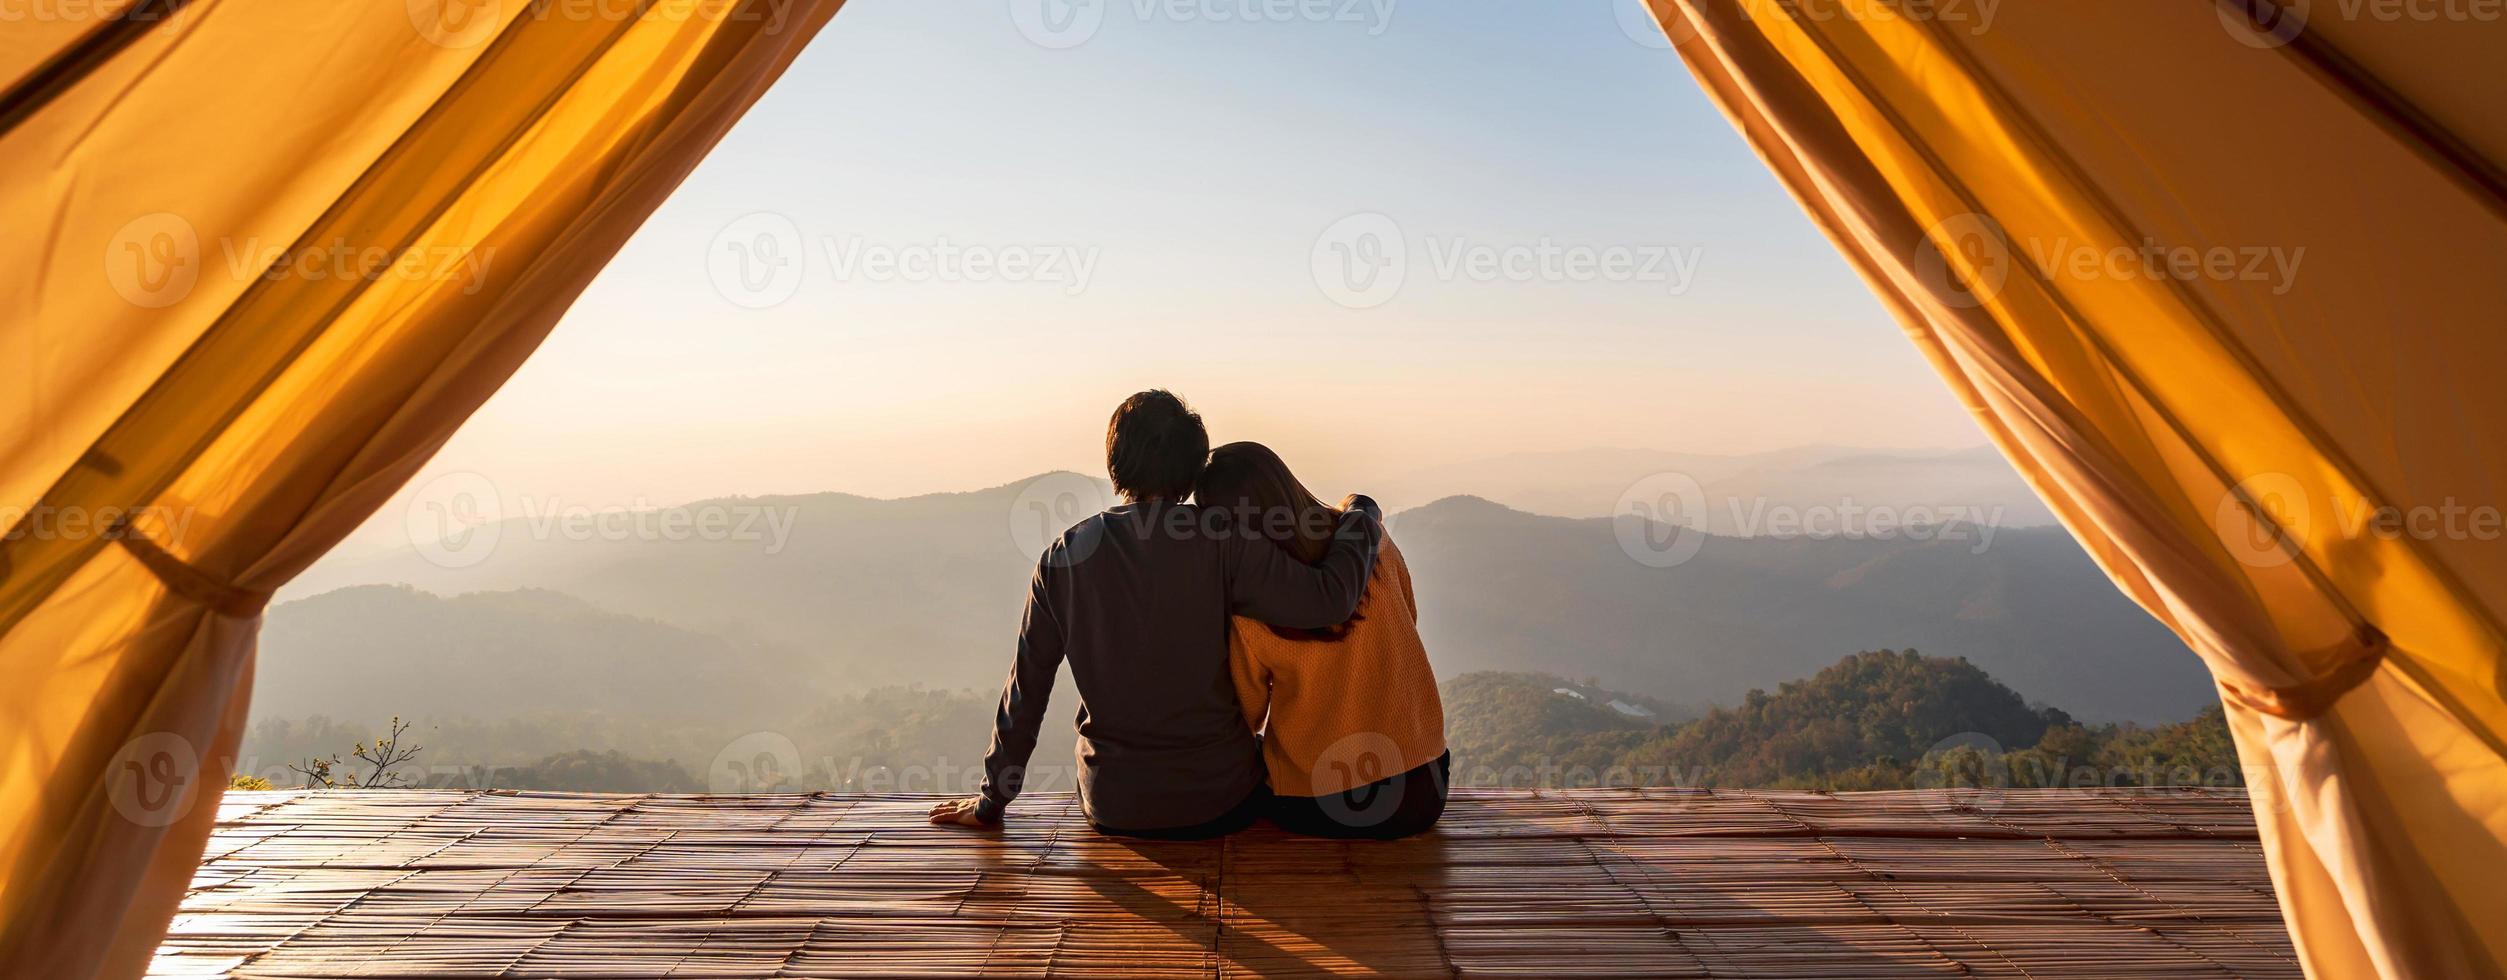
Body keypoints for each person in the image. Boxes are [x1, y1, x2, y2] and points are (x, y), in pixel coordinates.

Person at [927, 391, 1384, 838]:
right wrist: (1361, 514)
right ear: (1191, 476)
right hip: (1220, 801)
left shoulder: (1061, 559)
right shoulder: (1222, 542)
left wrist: (991, 804)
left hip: (1113, 806)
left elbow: (1025, 694)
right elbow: (1329, 598)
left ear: (1114, 465)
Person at [1196, 441, 1448, 839]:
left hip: (1316, 804)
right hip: (1423, 791)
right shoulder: (1376, 545)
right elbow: (1408, 620)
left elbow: (1247, 712)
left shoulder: (1249, 600)